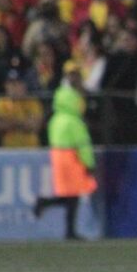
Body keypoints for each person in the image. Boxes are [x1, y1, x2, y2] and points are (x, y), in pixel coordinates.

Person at [33, 61, 97, 241]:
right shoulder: (73, 120)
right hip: (71, 158)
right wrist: (89, 164)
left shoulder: (56, 118)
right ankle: (68, 228)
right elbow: (83, 144)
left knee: (69, 195)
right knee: (73, 196)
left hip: (58, 156)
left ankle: (66, 226)